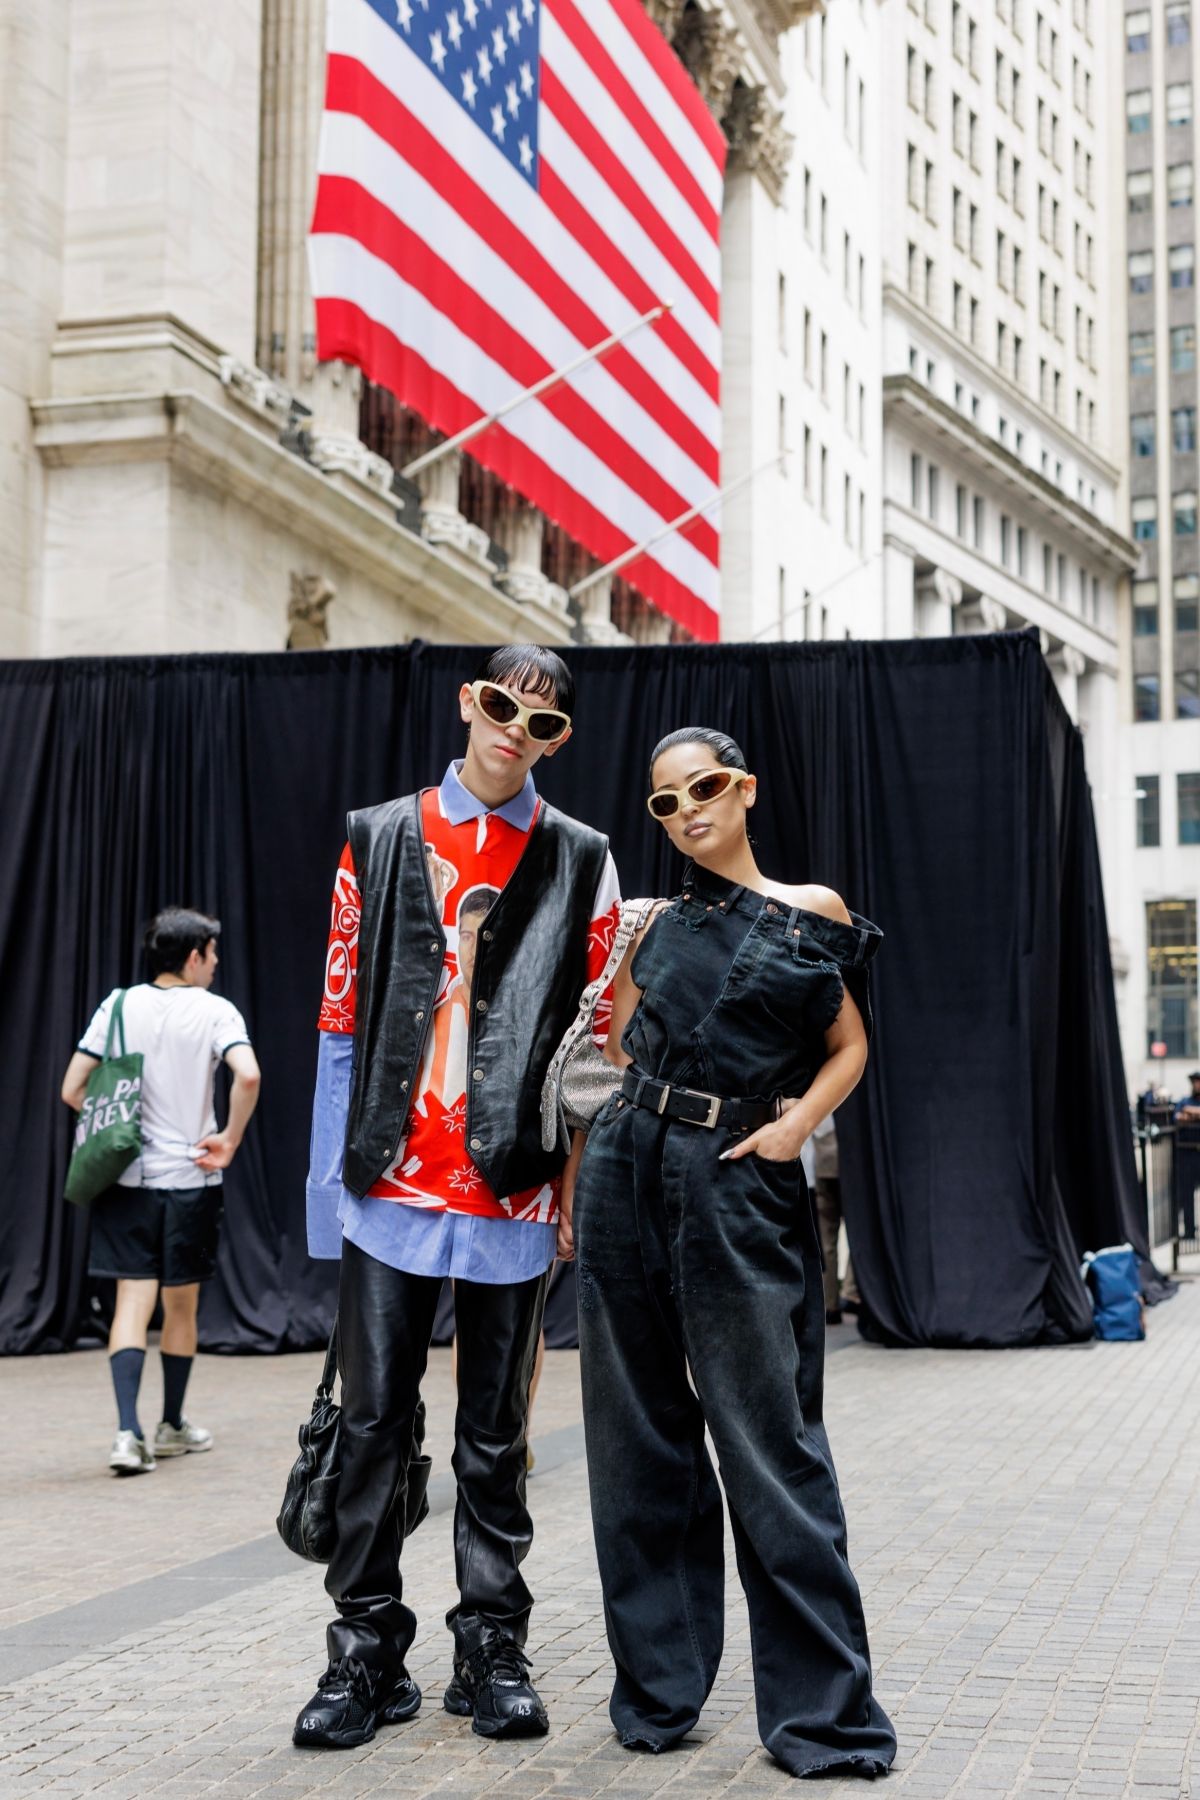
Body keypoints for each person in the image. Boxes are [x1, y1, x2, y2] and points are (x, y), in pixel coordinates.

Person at [297, 645, 620, 1752]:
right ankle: (364, 1651)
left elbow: (594, 1049)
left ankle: (492, 1644)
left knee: (496, 1432)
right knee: (374, 1424)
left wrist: (573, 1184)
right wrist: (319, 1193)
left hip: (512, 1184)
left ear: (558, 741)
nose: (512, 734)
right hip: (386, 1181)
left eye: (541, 725)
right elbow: (340, 1018)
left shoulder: (582, 857)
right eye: (498, 707)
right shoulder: (378, 836)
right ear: (467, 704)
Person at [563, 727, 896, 1781]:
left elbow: (850, 1045)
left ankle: (826, 1721)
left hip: (737, 1171)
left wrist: (795, 1127)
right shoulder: (651, 920)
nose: (689, 811)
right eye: (666, 804)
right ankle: (658, 1696)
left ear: (743, 787)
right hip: (628, 1160)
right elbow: (615, 1044)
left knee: (770, 1442)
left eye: (702, 788)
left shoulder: (813, 912)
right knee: (637, 1442)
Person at [60, 908, 261, 1476]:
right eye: (213, 953)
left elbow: (73, 1087)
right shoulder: (216, 1011)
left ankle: (128, 1433)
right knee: (182, 1304)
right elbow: (247, 1074)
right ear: (193, 955)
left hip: (126, 1179)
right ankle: (173, 1424)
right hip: (190, 1179)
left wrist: (122, 1120)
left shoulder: (117, 1005)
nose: (217, 964)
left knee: (131, 1300)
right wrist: (228, 1138)